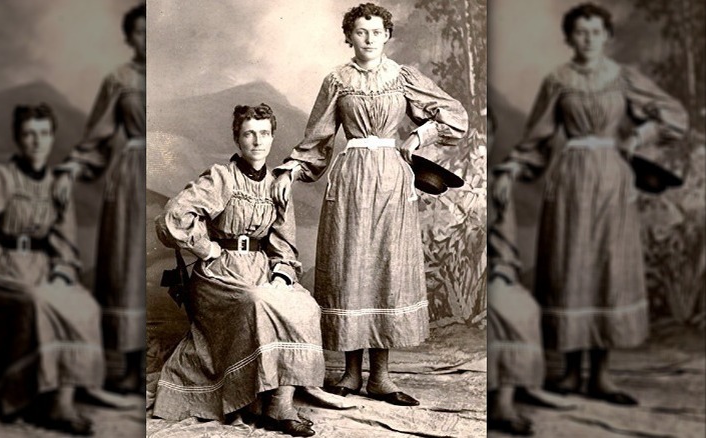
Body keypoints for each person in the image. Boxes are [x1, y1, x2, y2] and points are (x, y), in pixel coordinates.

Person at [271, 3, 468, 406]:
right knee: (349, 268)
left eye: (376, 32)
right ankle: (349, 372)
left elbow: (453, 116)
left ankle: (381, 377)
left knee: (386, 268)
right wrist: (290, 171)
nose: (369, 39)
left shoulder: (402, 78)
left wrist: (418, 138)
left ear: (386, 36)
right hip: (350, 181)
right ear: (349, 36)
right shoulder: (337, 81)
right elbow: (318, 139)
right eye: (361, 31)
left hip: (393, 180)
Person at [492, 2, 688, 405]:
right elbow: (537, 139)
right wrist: (512, 167)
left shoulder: (623, 78)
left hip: (613, 181)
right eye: (580, 32)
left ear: (607, 36)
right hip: (569, 181)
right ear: (569, 38)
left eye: (596, 32)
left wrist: (642, 135)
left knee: (608, 268)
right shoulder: (558, 81)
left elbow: (673, 116)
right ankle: (569, 374)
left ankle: (601, 376)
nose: (588, 39)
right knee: (571, 267)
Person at [151, 104, 325, 437]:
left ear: (273, 137)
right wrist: (206, 247)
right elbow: (173, 217)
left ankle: (279, 402)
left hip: (260, 268)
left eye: (264, 133)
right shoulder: (221, 177)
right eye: (249, 134)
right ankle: (251, 396)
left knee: (303, 305)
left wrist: (280, 274)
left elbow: (285, 247)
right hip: (219, 272)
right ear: (237, 138)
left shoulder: (278, 183)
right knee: (256, 301)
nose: (257, 141)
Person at [0, 103, 104, 436]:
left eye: (42, 133)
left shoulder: (57, 184)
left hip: (41, 265)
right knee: (38, 302)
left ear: (52, 137)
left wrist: (63, 270)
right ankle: (26, 398)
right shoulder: (2, 178)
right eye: (28, 134)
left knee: (82, 305)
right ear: (18, 138)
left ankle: (60, 401)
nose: (35, 142)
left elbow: (65, 241)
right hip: (3, 268)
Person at [53, 3, 146, 394]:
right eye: (139, 33)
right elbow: (98, 135)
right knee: (124, 267)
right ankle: (126, 366)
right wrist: (74, 165)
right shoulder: (120, 78)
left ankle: (149, 365)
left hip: (154, 167)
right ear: (129, 38)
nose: (146, 41)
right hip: (127, 179)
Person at [486, 109, 545, 436]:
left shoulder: (498, 183)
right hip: (465, 276)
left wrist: (503, 270)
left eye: (491, 133)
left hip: (492, 269)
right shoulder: (464, 178)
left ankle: (504, 401)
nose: (488, 140)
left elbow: (505, 239)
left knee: (519, 306)